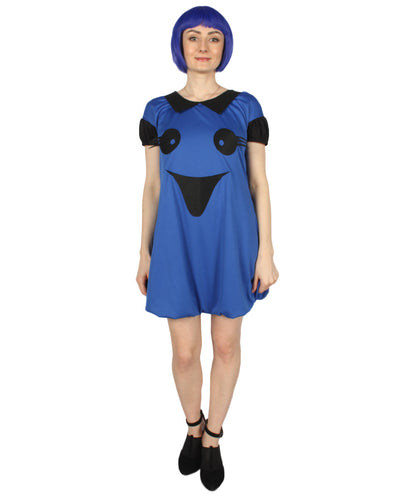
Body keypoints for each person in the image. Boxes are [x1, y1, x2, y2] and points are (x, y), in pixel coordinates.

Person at [136, 5, 279, 491]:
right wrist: (144, 252)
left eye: (213, 38)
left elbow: (259, 183)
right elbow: (152, 187)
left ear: (224, 47)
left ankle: (214, 436)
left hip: (231, 239)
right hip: (175, 242)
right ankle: (192, 426)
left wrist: (266, 251)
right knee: (184, 353)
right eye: (193, 36)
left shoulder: (246, 106)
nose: (203, 46)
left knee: (226, 344)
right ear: (180, 45)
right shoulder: (157, 110)